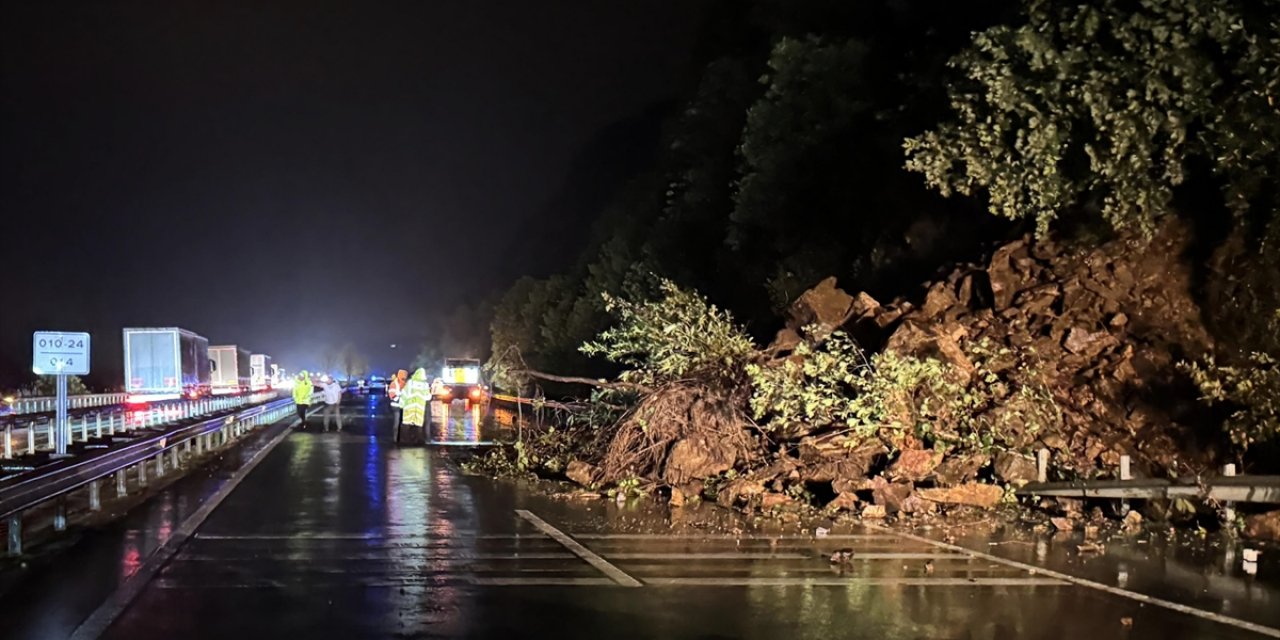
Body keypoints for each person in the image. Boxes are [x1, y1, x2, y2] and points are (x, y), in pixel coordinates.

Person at [397, 368, 430, 444]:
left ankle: (404, 440)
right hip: (419, 408)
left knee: (406, 424)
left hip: (409, 406)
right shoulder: (425, 385)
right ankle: (418, 440)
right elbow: (428, 397)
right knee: (418, 424)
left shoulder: (410, 383)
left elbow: (404, 394)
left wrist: (401, 404)